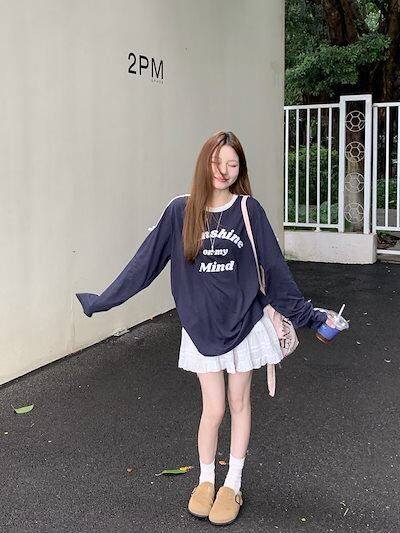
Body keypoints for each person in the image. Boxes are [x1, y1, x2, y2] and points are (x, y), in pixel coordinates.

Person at [76, 131, 331, 526]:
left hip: (244, 323)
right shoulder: (180, 211)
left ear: (240, 170)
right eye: (217, 162)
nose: (223, 171)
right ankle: (206, 480)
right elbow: (144, 264)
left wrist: (311, 317)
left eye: (232, 164)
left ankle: (233, 484)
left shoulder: (248, 210)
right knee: (213, 408)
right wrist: (103, 300)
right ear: (204, 163)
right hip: (200, 328)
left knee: (239, 403)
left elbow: (276, 271)